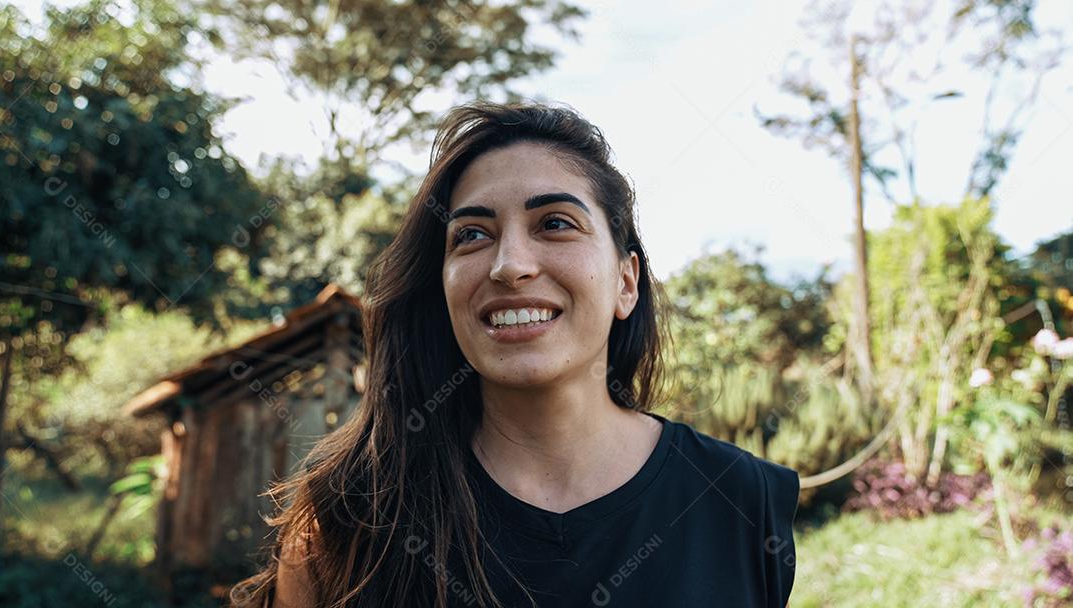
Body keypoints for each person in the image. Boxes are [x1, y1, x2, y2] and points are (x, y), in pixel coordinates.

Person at [230, 101, 800, 608]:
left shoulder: (742, 498)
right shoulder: (350, 513)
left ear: (626, 283)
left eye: (555, 223)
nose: (509, 265)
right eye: (472, 235)